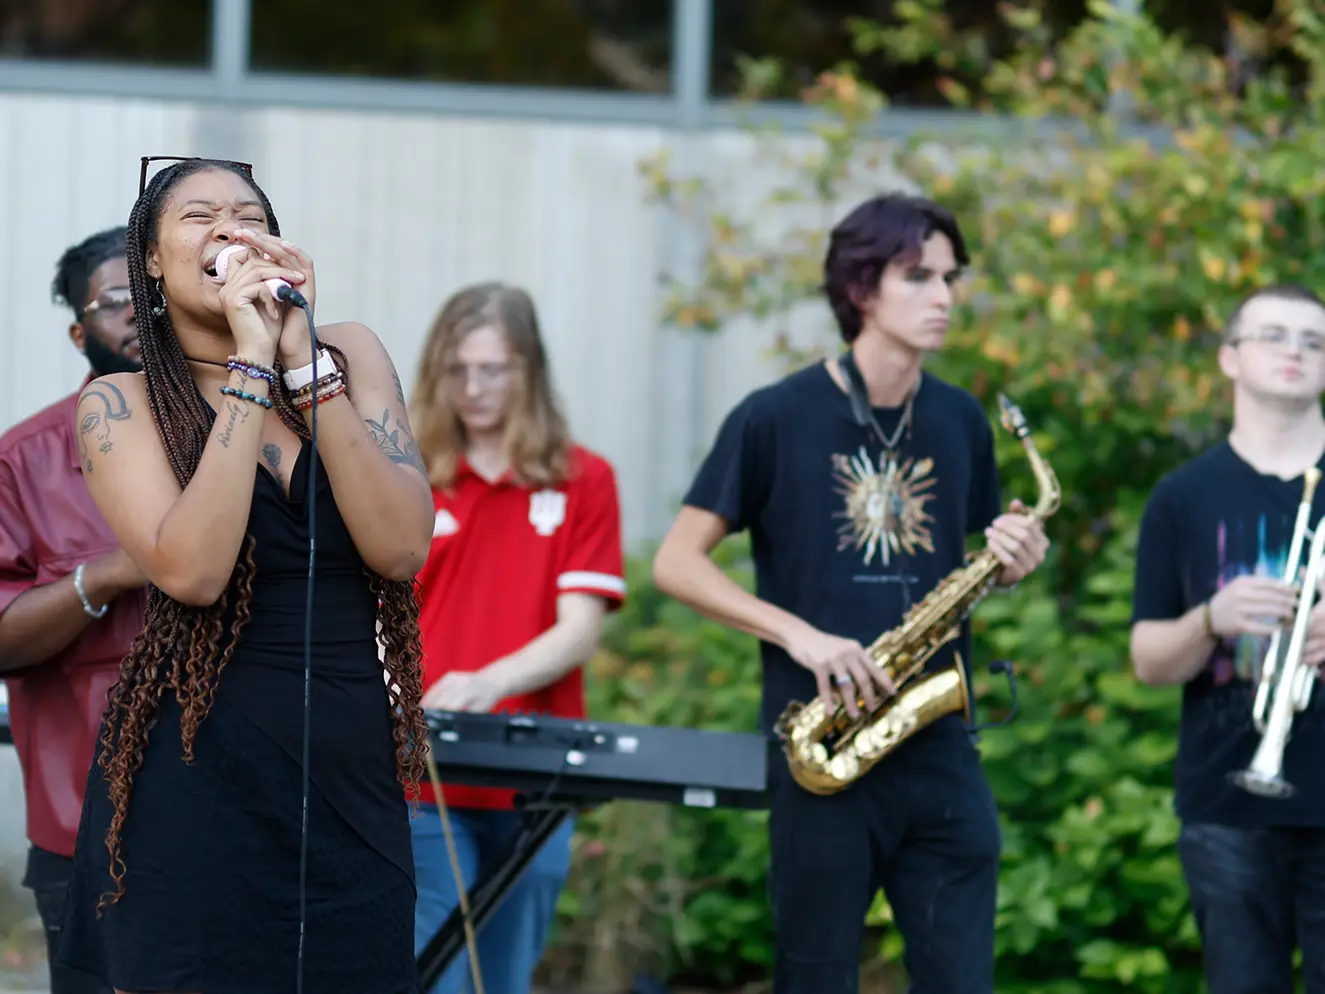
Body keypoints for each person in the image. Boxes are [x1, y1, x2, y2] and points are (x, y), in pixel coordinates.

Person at [51, 156, 436, 994]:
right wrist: (250, 370)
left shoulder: (349, 354)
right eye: (198, 217)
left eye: (246, 214)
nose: (230, 229)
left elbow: (401, 547)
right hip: (198, 768)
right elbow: (192, 570)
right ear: (150, 260)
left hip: (346, 761)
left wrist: (303, 363)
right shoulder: (121, 403)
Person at [651, 193, 1050, 994]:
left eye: (950, 277)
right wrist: (798, 634)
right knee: (814, 980)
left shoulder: (961, 419)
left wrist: (1011, 557)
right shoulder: (772, 417)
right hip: (825, 749)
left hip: (939, 750)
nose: (944, 296)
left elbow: (976, 561)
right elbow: (676, 563)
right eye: (918, 276)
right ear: (861, 288)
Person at [407, 282, 626, 994]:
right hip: (421, 771)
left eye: (493, 369)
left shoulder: (583, 478)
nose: (473, 388)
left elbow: (579, 631)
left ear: (529, 369)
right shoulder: (406, 475)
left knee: (503, 976)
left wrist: (489, 681)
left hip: (537, 775)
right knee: (434, 968)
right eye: (456, 370)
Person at [1131, 283, 1325, 993]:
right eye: (1273, 335)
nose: (1295, 352)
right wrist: (1208, 619)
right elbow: (1148, 661)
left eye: (1313, 340)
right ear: (1228, 360)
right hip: (1226, 807)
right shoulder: (1182, 497)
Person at [0, 226, 148, 994]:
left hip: (241, 813)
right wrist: (113, 573)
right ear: (78, 329)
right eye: (119, 300)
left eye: (156, 295)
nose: (141, 314)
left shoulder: (249, 433)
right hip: (86, 826)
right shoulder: (23, 459)